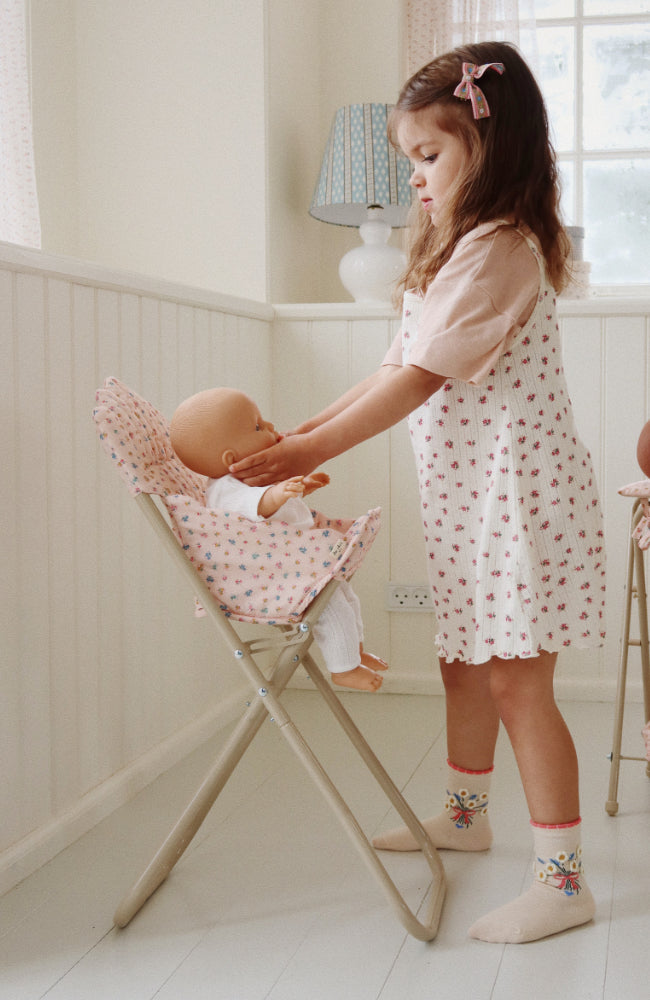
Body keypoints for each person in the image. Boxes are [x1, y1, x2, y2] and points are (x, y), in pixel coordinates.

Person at [228, 41, 606, 944]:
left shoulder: (502, 252)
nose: (418, 180)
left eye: (430, 157)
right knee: (462, 664)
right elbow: (389, 365)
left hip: (516, 504)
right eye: (410, 163)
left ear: (492, 145)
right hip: (472, 505)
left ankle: (563, 879)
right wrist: (298, 435)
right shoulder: (454, 253)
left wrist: (307, 448)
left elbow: (419, 383)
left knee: (519, 683)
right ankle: (468, 817)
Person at [170, 386, 388, 692]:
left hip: (292, 564)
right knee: (331, 606)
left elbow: (275, 507)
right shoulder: (224, 489)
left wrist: (299, 488)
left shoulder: (247, 484)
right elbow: (260, 505)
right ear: (231, 457)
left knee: (345, 596)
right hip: (275, 576)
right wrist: (279, 493)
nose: (270, 427)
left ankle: (355, 651)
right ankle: (343, 668)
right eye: (258, 426)